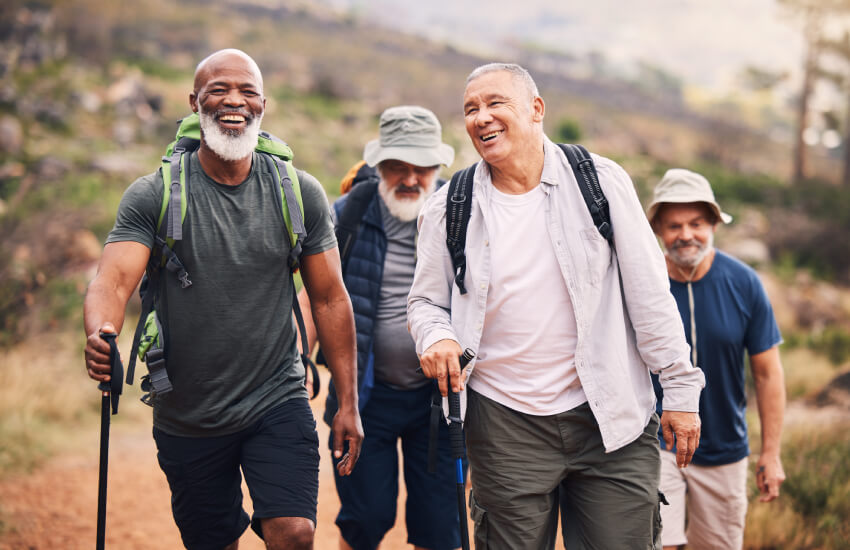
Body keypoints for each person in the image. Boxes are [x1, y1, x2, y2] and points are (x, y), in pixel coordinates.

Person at [407, 62, 706, 550]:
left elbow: (650, 296)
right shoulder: (448, 206)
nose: (481, 118)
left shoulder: (601, 183)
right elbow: (424, 301)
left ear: (536, 109)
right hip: (504, 423)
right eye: (470, 109)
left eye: (495, 103)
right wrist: (436, 334)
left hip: (611, 416)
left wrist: (680, 389)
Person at [83, 48, 363, 550]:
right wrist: (101, 331)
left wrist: (348, 402)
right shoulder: (154, 194)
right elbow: (111, 281)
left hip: (276, 395)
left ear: (262, 105)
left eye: (247, 92)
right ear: (195, 103)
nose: (234, 101)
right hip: (188, 411)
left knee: (295, 533)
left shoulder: (299, 193)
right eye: (218, 90)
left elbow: (329, 300)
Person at [298, 105, 464, 550]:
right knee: (365, 518)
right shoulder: (348, 214)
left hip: (442, 400)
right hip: (362, 397)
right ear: (379, 165)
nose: (411, 178)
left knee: (440, 526)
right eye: (398, 168)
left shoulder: (462, 214)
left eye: (422, 168)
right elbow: (315, 296)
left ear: (437, 167)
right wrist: (295, 361)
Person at [647, 168, 786, 550]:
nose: (686, 235)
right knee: (657, 544)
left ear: (714, 224)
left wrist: (771, 454)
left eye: (696, 223)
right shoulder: (643, 282)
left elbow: (768, 374)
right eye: (674, 225)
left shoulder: (744, 283)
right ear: (658, 229)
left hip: (725, 448)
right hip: (655, 445)